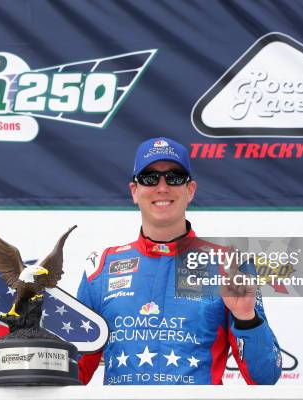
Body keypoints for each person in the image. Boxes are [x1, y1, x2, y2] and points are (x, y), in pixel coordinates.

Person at [76, 137, 281, 385]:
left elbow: (265, 377)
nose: (162, 187)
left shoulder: (229, 265)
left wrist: (247, 318)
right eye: (150, 178)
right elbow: (72, 373)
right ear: (134, 191)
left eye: (174, 177)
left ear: (190, 190)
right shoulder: (101, 268)